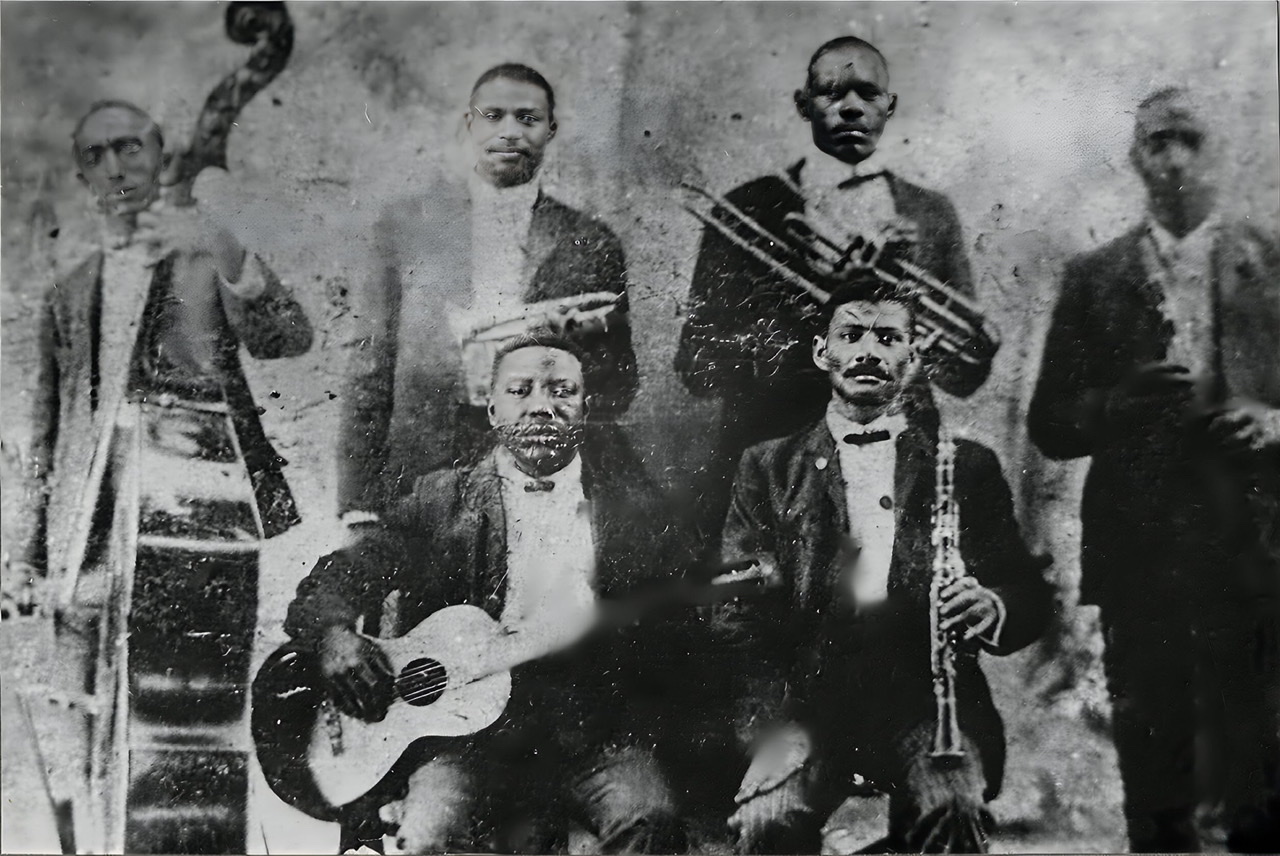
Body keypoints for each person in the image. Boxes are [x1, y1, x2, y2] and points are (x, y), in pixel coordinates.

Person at [7, 100, 311, 851]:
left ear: (160, 156)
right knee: (88, 737)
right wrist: (24, 554)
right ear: (83, 172)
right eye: (99, 154)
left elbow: (288, 336)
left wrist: (219, 238)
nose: (117, 167)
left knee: (184, 725)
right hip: (89, 534)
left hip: (185, 521)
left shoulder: (202, 261)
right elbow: (43, 440)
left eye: (132, 150)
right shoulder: (68, 293)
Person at [286, 332, 688, 854]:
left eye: (561, 391)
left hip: (589, 736)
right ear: (494, 409)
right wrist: (335, 635)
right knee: (427, 837)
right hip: (464, 741)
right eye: (521, 391)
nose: (543, 406)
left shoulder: (630, 509)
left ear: (585, 409)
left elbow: (681, 629)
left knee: (650, 819)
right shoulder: (442, 499)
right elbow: (347, 570)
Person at [717, 273, 1049, 853]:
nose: (868, 352)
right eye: (851, 335)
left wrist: (991, 604)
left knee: (952, 809)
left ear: (916, 357)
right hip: (806, 705)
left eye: (888, 339)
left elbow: (1026, 591)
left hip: (926, 706)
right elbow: (734, 615)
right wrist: (774, 724)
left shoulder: (965, 467)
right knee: (765, 823)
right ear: (823, 351)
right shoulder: (767, 466)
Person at [1029, 87, 1280, 852]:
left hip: (1255, 551)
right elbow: (1049, 423)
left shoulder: (1271, 263)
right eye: (1156, 143)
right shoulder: (1093, 276)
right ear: (1135, 158)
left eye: (1189, 140)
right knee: (1155, 774)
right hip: (1142, 557)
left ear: (1217, 152)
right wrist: (1114, 404)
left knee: (1262, 773)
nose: (1172, 159)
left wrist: (1276, 422)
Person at [675, 35, 994, 542]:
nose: (850, 108)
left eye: (868, 94)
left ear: (890, 105)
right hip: (776, 460)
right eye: (830, 92)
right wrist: (824, 299)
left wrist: (909, 298)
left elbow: (962, 374)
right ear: (804, 104)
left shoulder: (931, 215)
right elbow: (697, 366)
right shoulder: (747, 208)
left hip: (901, 458)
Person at [337, 63, 640, 529]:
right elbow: (368, 374)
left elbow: (620, 384)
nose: (510, 132)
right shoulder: (405, 227)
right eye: (493, 116)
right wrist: (357, 505)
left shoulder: (592, 241)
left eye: (528, 118)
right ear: (469, 124)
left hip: (546, 475)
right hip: (427, 470)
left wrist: (554, 349)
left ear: (551, 129)